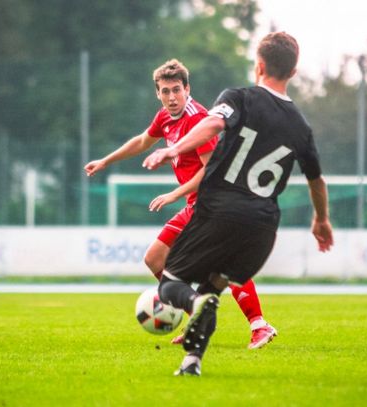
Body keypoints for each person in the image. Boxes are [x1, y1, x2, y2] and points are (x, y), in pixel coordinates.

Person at [143, 32, 334, 377]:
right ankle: (192, 361)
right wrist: (322, 220)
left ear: (259, 66)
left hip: (220, 211)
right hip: (262, 228)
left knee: (171, 285)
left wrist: (174, 149)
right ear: (293, 72)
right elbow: (316, 180)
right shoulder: (301, 126)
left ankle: (198, 309)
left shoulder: (239, 97)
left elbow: (213, 123)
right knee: (212, 288)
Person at [85, 59, 277, 349]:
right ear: (158, 94)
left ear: (187, 89)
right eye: (165, 91)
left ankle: (259, 325)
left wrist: (174, 194)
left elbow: (211, 171)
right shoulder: (165, 117)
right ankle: (198, 317)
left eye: (176, 90)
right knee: (155, 259)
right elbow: (142, 141)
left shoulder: (197, 119)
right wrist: (105, 161)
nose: (172, 97)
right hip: (196, 205)